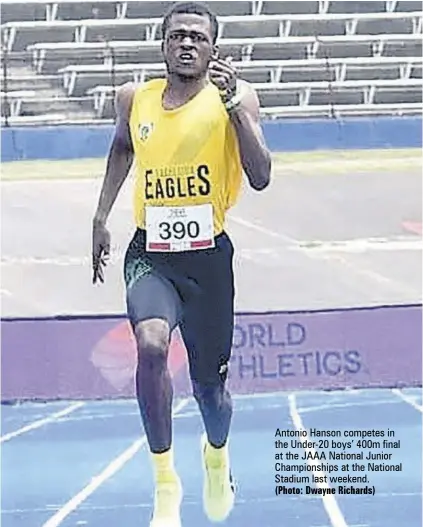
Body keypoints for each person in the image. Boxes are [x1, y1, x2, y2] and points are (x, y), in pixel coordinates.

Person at [92, 2, 271, 526]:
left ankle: (216, 458)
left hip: (208, 262)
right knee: (150, 345)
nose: (187, 44)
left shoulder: (235, 98)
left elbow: (260, 175)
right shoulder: (135, 98)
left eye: (198, 36)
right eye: (177, 36)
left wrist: (236, 104)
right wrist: (100, 217)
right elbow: (122, 147)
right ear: (163, 44)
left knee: (211, 393)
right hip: (152, 254)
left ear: (214, 48)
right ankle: (165, 483)